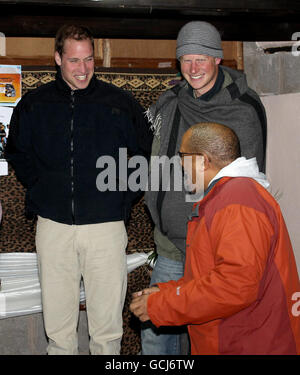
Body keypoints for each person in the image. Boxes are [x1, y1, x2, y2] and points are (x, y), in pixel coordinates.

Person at [5, 24, 152, 355]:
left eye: (88, 60)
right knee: (58, 332)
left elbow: (145, 156)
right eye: (74, 60)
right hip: (53, 227)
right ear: (57, 58)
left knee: (107, 331)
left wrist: (121, 201)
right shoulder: (34, 104)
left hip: (106, 229)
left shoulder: (119, 103)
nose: (83, 69)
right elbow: (16, 150)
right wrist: (41, 187)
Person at [142, 20, 267, 355]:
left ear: (217, 60)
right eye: (186, 59)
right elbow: (155, 156)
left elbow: (247, 182)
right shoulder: (170, 101)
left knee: (205, 335)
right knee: (157, 335)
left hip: (214, 248)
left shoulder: (242, 107)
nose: (193, 67)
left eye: (201, 58)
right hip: (169, 244)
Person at [131, 122, 300, 355]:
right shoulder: (228, 196)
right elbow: (213, 276)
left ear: (202, 160)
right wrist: (169, 292)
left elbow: (235, 286)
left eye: (183, 156)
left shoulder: (239, 201)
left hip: (247, 342)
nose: (181, 165)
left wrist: (164, 305)